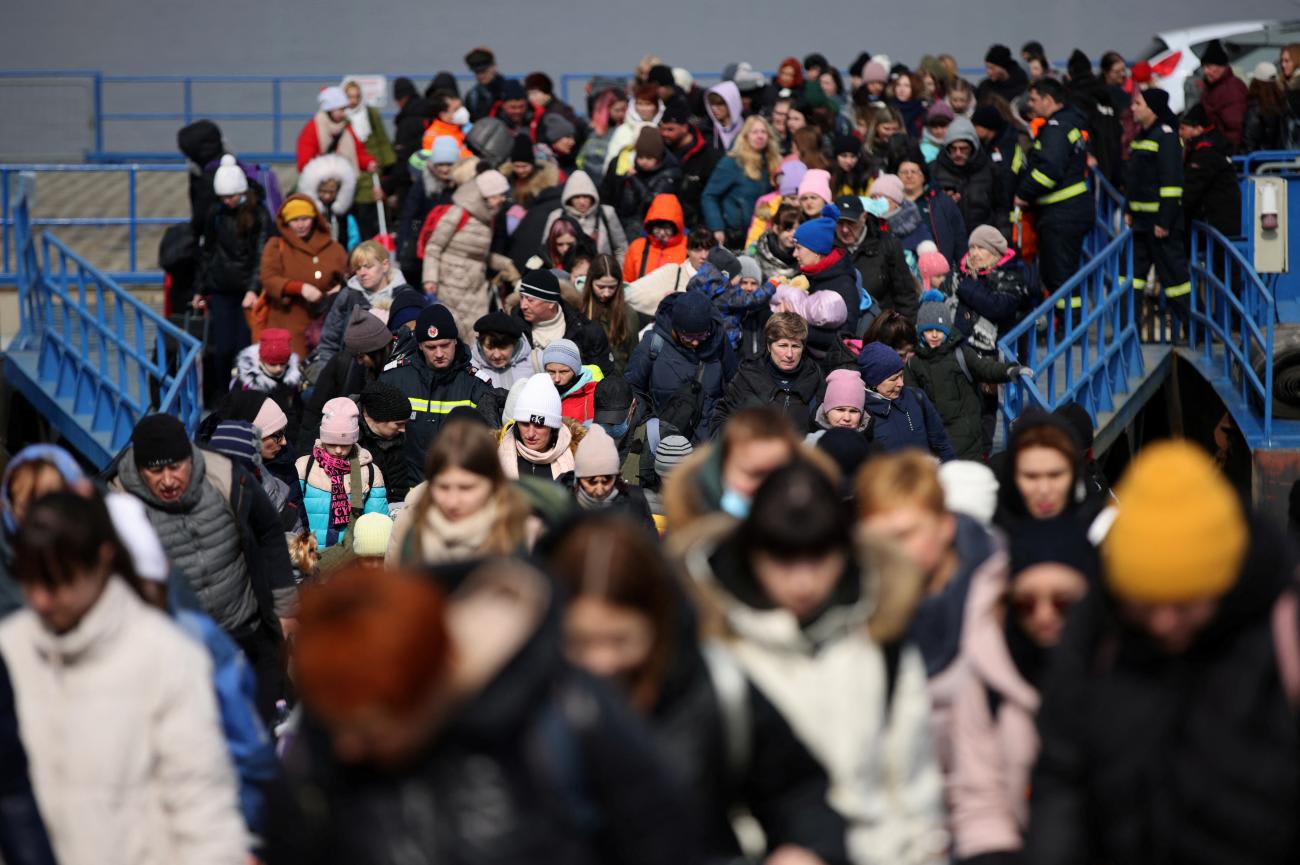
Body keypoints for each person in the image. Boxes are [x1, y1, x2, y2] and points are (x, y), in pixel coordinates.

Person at [268, 562, 697, 865]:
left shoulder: (567, 714)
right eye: (335, 725)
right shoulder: (330, 731)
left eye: (371, 731)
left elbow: (669, 844)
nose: (346, 747)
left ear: (433, 687)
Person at [1026, 441, 1300, 864]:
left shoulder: (1283, 633)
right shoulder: (1099, 630)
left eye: (1186, 604)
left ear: (1226, 585)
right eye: (1146, 604)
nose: (1164, 623)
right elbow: (1063, 772)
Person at [676, 462, 948, 865]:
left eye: (819, 557)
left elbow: (914, 795)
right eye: (783, 558)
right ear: (752, 553)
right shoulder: (706, 646)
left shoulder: (882, 640)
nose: (803, 582)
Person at [549, 515, 849, 865]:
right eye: (581, 642)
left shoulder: (716, 689)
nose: (602, 662)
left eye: (621, 640)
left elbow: (798, 790)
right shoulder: (518, 702)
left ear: (658, 623)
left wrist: (805, 848)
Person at [1, 491, 248, 865]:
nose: (41, 600)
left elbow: (200, 799)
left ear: (102, 559)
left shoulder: (165, 655)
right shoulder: (11, 648)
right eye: (30, 580)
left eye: (57, 581)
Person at [106, 413, 295, 718]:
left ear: (190, 458)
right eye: (155, 471)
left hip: (247, 629)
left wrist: (284, 607)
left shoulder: (224, 473)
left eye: (175, 467)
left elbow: (270, 530)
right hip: (179, 652)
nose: (167, 480)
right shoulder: (118, 506)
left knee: (263, 727)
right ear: (139, 470)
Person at [948, 516, 1095, 860]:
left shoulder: (1118, 670)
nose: (1044, 616)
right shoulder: (987, 680)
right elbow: (979, 801)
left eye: (1062, 602)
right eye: (1026, 604)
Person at [387, 418, 533, 565]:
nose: (452, 502)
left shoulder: (521, 529)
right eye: (443, 487)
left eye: (466, 488)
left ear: (493, 483)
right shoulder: (412, 525)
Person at [905, 290, 1029, 460]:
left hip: (967, 439)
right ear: (920, 332)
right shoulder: (914, 364)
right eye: (929, 330)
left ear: (947, 330)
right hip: (935, 439)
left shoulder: (960, 353)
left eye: (939, 330)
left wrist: (1009, 370)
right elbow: (912, 403)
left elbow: (985, 367)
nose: (934, 335)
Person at [380, 304, 496, 480]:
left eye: (444, 345)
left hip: (455, 487)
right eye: (431, 347)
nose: (439, 353)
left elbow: (486, 443)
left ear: (455, 341)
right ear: (419, 346)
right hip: (404, 490)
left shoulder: (475, 384)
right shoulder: (394, 379)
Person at [1015, 79, 1094, 309]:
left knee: (1059, 276)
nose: (1030, 104)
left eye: (1034, 99)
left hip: (1062, 213)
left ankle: (1072, 329)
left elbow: (1048, 170)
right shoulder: (1069, 123)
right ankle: (1070, 326)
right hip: (1069, 211)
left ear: (1048, 100)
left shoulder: (1056, 128)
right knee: (1061, 274)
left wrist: (1023, 193)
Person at [198, 155, 272, 399]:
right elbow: (207, 251)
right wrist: (200, 288)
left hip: (245, 292)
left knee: (244, 348)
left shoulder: (259, 215)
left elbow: (262, 254)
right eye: (223, 198)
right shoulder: (215, 214)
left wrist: (253, 289)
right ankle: (222, 396)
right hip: (221, 288)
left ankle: (243, 394)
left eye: (231, 197)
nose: (227, 202)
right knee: (222, 349)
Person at [624, 290, 737, 443]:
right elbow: (631, 390)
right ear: (675, 329)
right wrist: (649, 427)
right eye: (688, 336)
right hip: (662, 445)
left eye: (702, 335)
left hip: (708, 446)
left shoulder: (719, 343)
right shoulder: (653, 345)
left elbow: (735, 390)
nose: (696, 342)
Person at [662, 406, 804, 528]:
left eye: (777, 474)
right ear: (723, 467)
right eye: (754, 473)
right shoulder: (691, 537)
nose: (765, 485)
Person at [421, 168, 518, 337]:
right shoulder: (458, 213)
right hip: (450, 282)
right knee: (456, 333)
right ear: (485, 195)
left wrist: (504, 263)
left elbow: (478, 254)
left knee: (474, 334)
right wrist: (430, 279)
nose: (502, 199)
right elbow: (434, 246)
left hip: (475, 285)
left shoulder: (487, 217)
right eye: (498, 195)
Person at [1125, 88, 1191, 319]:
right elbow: (1134, 180)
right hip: (1141, 225)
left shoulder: (1166, 137)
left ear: (1152, 110)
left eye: (1138, 104)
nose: (1133, 108)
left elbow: (1172, 184)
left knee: (1175, 281)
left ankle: (1193, 331)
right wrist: (1128, 208)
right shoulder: (1142, 137)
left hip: (1161, 227)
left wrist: (1164, 220)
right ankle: (1127, 329)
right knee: (1131, 279)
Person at [259, 194, 347, 358]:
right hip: (288, 321)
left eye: (305, 219)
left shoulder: (333, 247)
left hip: (326, 322)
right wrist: (300, 288)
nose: (300, 225)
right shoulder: (276, 246)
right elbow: (269, 278)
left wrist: (339, 288)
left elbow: (347, 275)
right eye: (295, 220)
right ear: (286, 222)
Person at [710, 312, 824, 436]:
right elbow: (720, 419)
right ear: (769, 346)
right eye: (783, 345)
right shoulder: (747, 376)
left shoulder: (814, 377)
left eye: (796, 346)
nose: (789, 354)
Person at [297, 397, 388, 550]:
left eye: (345, 445)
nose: (338, 451)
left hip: (347, 564)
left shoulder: (370, 472)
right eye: (332, 443)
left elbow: (376, 526)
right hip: (307, 559)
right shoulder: (304, 467)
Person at [992, 407, 1103, 533]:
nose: (1044, 489)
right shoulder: (995, 476)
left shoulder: (1093, 486)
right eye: (1031, 476)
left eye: (1055, 475)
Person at [316, 239, 409, 368]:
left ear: (385, 265)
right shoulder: (348, 296)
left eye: (368, 266)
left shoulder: (404, 295)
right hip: (351, 373)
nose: (362, 273)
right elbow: (329, 342)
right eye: (358, 268)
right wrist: (328, 376)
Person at [857, 342, 955, 460]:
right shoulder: (861, 412)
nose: (901, 383)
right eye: (893, 379)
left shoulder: (916, 397)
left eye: (901, 375)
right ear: (873, 381)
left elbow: (941, 443)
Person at [946, 225, 1032, 357]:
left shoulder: (1010, 275)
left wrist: (966, 284)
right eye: (972, 248)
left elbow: (996, 307)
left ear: (994, 252)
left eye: (980, 248)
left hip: (992, 356)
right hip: (955, 350)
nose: (974, 253)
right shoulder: (959, 273)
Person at [834, 195, 919, 327]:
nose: (845, 230)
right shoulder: (827, 246)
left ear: (863, 218)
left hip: (879, 327)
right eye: (840, 223)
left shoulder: (887, 245)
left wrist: (903, 332)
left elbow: (905, 294)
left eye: (851, 223)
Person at [702, 117, 782, 249]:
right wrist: (717, 227)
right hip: (734, 234)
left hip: (762, 232)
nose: (760, 136)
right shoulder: (732, 162)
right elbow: (709, 195)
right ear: (745, 136)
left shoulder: (772, 163)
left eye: (763, 132)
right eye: (755, 132)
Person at [512, 268, 614, 371]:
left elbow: (605, 375)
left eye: (530, 300)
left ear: (551, 303)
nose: (523, 306)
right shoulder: (514, 329)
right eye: (521, 297)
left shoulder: (586, 331)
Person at [930, 118, 1009, 238]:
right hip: (947, 237)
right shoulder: (934, 170)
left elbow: (1001, 207)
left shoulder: (990, 170)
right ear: (947, 148)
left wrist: (1003, 235)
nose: (958, 153)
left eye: (963, 149)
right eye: (953, 148)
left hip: (983, 238)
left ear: (973, 148)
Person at [498, 373, 583, 481]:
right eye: (524, 423)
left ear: (553, 427)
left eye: (539, 425)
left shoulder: (579, 455)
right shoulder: (493, 454)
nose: (530, 434)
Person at [567, 427, 655, 528]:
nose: (600, 490)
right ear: (578, 479)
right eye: (591, 482)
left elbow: (649, 540)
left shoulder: (634, 500)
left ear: (616, 477)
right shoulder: (561, 501)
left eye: (607, 481)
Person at [340, 79, 396, 240]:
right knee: (355, 213)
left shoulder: (370, 114)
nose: (354, 101)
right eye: (350, 97)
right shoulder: (341, 119)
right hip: (352, 169)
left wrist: (386, 164)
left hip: (372, 168)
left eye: (357, 97)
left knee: (375, 211)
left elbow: (381, 138)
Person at [604, 128, 683, 238]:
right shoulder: (630, 169)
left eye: (649, 158)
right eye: (640, 157)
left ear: (658, 157)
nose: (644, 161)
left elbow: (652, 201)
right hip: (626, 224)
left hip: (651, 229)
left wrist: (633, 179)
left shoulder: (669, 174)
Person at [1179, 103, 1241, 238]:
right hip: (1215, 220)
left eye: (1183, 128)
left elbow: (1192, 189)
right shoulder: (1208, 147)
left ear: (1198, 129)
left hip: (1218, 221)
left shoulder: (1205, 153)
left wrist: (1171, 215)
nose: (1180, 133)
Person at [659, 100, 723, 228]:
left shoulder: (707, 154)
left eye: (670, 129)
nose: (665, 133)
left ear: (685, 128)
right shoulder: (661, 150)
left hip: (697, 223)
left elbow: (713, 194)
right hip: (667, 221)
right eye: (662, 129)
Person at [542, 170, 629, 260]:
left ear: (593, 196)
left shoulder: (606, 213)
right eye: (577, 197)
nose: (582, 202)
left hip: (603, 272)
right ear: (569, 198)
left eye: (586, 196)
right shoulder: (557, 216)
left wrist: (617, 271)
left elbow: (621, 248)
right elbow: (547, 249)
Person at [296, 86, 377, 179]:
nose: (343, 113)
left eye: (344, 109)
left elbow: (357, 152)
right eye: (340, 109)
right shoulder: (312, 129)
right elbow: (304, 162)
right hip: (319, 183)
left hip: (344, 181)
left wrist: (368, 163)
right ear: (329, 110)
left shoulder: (346, 128)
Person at [356, 380, 412, 509]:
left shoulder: (396, 439)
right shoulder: (345, 441)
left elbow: (399, 487)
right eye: (398, 424)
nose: (403, 429)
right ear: (377, 418)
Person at [581, 254, 641, 372]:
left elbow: (634, 357)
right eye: (601, 286)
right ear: (590, 282)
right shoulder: (580, 309)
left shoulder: (628, 313)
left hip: (620, 379)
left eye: (612, 287)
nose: (607, 293)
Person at [622, 193, 688, 283]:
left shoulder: (688, 247)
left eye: (666, 228)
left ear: (676, 227)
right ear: (650, 226)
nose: (661, 233)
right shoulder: (638, 246)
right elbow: (627, 281)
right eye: (657, 228)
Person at [1197, 38, 1249, 150]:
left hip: (1227, 150)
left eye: (1209, 67)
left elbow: (1234, 127)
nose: (1205, 72)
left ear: (1221, 66)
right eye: (1204, 67)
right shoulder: (1211, 88)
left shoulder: (1231, 89)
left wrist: (1228, 153)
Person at [869, 173, 933, 257]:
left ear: (896, 202)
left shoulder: (916, 227)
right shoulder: (869, 224)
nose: (877, 201)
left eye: (882, 197)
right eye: (873, 197)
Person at [543, 338, 601, 423]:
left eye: (564, 372)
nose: (557, 379)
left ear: (576, 370)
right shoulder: (539, 392)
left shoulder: (594, 396)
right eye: (551, 372)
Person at [471, 310, 533, 388]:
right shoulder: (469, 368)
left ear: (515, 344)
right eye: (490, 347)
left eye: (503, 347)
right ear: (480, 344)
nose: (497, 355)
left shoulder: (536, 362)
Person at [233, 327, 303, 394]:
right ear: (261, 360)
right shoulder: (246, 383)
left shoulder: (292, 380)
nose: (279, 369)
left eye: (283, 364)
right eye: (272, 364)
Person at [1243, 62, 1288, 153]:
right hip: (1281, 161)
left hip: (1260, 162)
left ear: (1255, 82)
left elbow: (1249, 140)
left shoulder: (1256, 108)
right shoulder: (1283, 104)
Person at [753, 202, 802, 283]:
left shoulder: (802, 255)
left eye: (797, 229)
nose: (793, 234)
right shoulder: (761, 252)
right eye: (788, 230)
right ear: (776, 228)